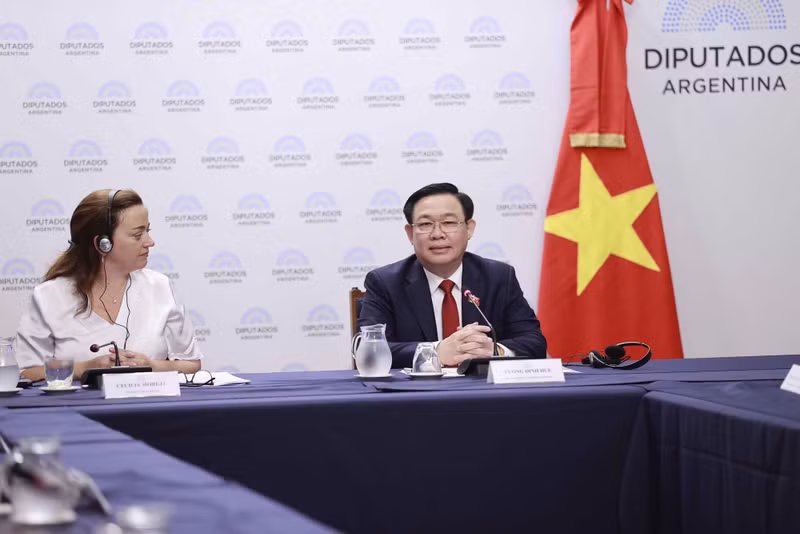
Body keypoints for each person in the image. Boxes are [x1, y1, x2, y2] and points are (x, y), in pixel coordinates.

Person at [15, 189, 202, 381]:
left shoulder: (160, 286)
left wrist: (153, 366)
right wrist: (84, 369)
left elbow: (191, 364)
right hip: (78, 409)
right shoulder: (49, 296)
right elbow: (24, 371)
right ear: (103, 244)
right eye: (138, 235)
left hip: (149, 407)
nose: (150, 242)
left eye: (148, 231)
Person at [357, 183, 547, 368]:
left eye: (448, 223)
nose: (437, 234)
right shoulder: (385, 283)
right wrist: (436, 351)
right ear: (410, 233)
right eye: (425, 224)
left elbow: (534, 342)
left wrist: (495, 350)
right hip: (417, 396)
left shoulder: (498, 277)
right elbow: (367, 349)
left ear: (469, 228)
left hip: (485, 394)